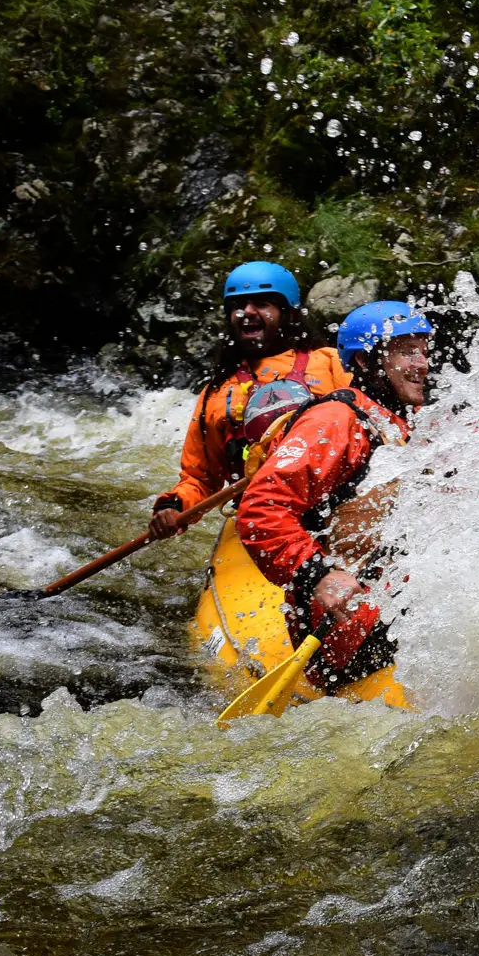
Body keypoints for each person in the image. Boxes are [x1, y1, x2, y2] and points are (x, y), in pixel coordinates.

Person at [234, 301, 433, 692]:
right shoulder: (335, 421)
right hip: (350, 625)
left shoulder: (394, 424)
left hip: (395, 602)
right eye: (408, 351)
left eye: (424, 350)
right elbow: (260, 509)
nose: (423, 363)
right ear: (364, 360)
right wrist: (318, 575)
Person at [147, 261, 350, 541]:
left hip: (337, 507)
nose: (248, 313)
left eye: (262, 304)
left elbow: (377, 425)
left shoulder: (331, 363)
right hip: (263, 517)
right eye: (239, 305)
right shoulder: (217, 393)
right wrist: (173, 507)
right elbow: (201, 478)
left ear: (290, 315)